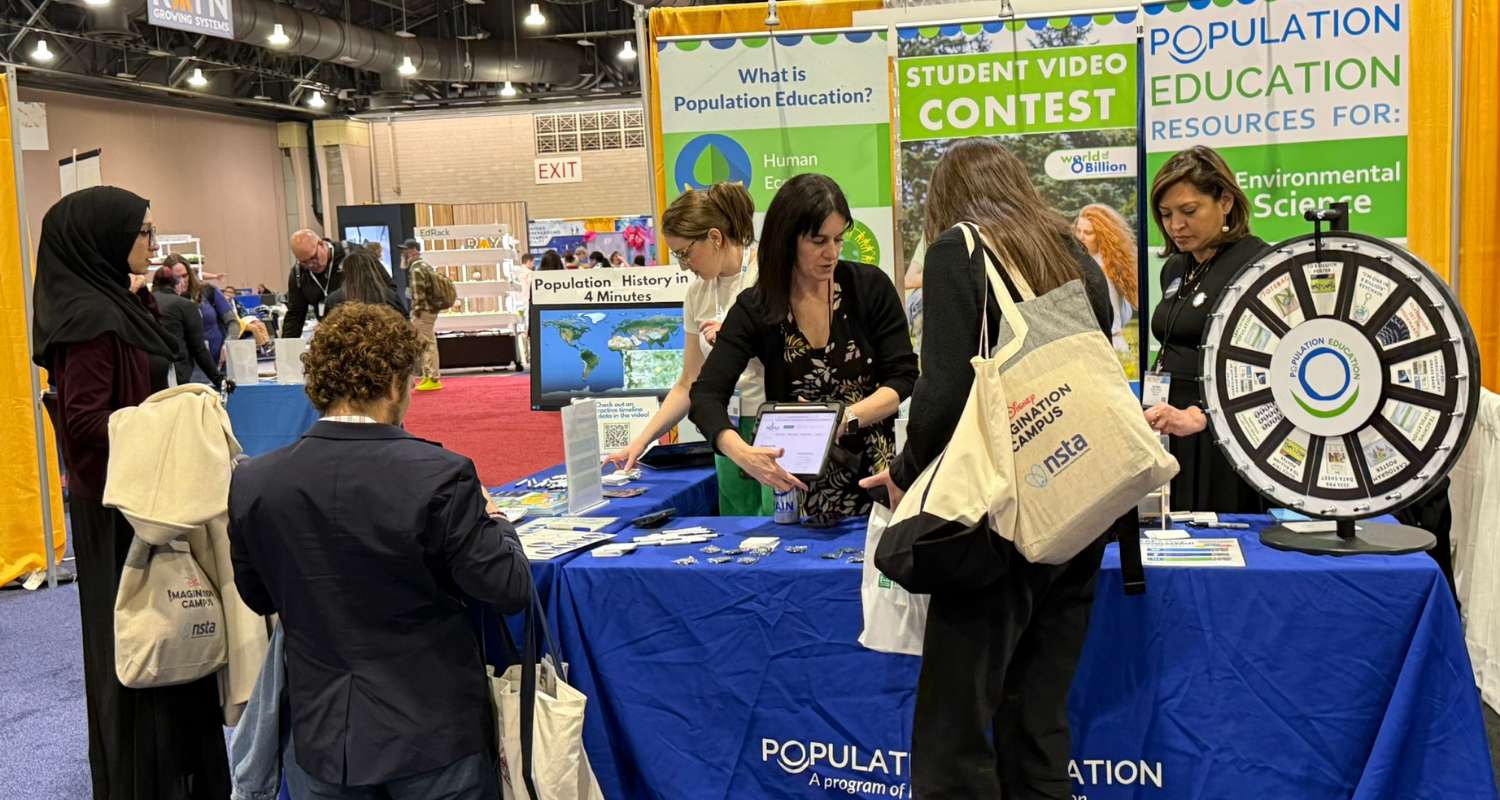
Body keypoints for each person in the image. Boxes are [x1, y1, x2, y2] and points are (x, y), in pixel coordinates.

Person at [859, 137, 1122, 800]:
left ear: (947, 200)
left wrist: (908, 474)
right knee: (1035, 721)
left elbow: (944, 391)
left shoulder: (961, 251)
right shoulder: (1073, 255)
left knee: (954, 732)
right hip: (1078, 507)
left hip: (997, 517)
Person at [228, 302, 532, 800]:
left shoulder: (254, 481)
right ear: (395, 384)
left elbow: (259, 596)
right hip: (434, 734)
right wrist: (497, 520)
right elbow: (507, 587)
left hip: (322, 737)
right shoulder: (441, 474)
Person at [32, 187, 231, 799]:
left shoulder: (117, 304)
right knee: (143, 647)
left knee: (179, 638)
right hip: (122, 511)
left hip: (152, 498)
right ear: (104, 240)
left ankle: (183, 779)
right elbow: (86, 426)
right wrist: (177, 420)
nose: (152, 243)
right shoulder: (88, 320)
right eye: (143, 232)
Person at [689, 174, 917, 521]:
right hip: (795, 497)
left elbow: (903, 376)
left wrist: (846, 418)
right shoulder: (757, 308)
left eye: (839, 239)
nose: (833, 253)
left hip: (876, 483)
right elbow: (705, 395)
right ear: (786, 240)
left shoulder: (869, 289)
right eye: (819, 241)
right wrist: (741, 452)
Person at [604, 182, 774, 516]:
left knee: (779, 523)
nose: (683, 265)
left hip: (774, 424)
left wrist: (740, 339)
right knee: (737, 529)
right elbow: (688, 383)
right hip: (725, 428)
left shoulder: (766, 277)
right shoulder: (696, 294)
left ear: (714, 238)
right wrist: (641, 441)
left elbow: (795, 357)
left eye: (685, 253)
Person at [1147, 145, 1270, 513]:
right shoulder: (1176, 268)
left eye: (1188, 211)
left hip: (1221, 439)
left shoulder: (1257, 267)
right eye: (1166, 215)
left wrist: (1201, 415)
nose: (1176, 226)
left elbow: (1269, 371)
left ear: (1226, 202)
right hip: (1171, 431)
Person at [1074, 203, 1139, 353]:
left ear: (1101, 235)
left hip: (1108, 341)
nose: (1081, 237)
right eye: (1078, 231)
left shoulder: (1108, 266)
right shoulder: (1078, 258)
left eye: (1088, 233)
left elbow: (1119, 314)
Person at [150, 267, 223, 388]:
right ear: (177, 286)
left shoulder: (138, 303)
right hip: (175, 375)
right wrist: (218, 380)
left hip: (143, 375)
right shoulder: (185, 305)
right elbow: (198, 348)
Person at [167, 253, 237, 370]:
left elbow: (233, 322)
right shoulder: (164, 299)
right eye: (176, 278)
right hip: (185, 368)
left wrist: (229, 343)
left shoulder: (208, 290)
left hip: (218, 364)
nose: (182, 282)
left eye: (185, 276)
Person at [283, 229, 348, 338]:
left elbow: (384, 292)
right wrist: (286, 350)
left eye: (313, 258)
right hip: (329, 336)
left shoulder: (352, 257)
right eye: (304, 262)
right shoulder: (299, 274)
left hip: (358, 334)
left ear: (322, 245)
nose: (311, 265)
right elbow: (294, 317)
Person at [399, 237, 444, 391]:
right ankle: (429, 375)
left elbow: (419, 294)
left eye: (406, 250)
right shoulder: (424, 266)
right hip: (430, 310)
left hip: (424, 311)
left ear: (414, 251)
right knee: (427, 342)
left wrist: (416, 311)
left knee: (427, 343)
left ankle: (432, 377)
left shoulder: (417, 269)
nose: (403, 253)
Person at [325, 249, 408, 319]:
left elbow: (326, 327)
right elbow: (405, 322)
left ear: (346, 271)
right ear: (372, 269)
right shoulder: (389, 296)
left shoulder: (334, 300)